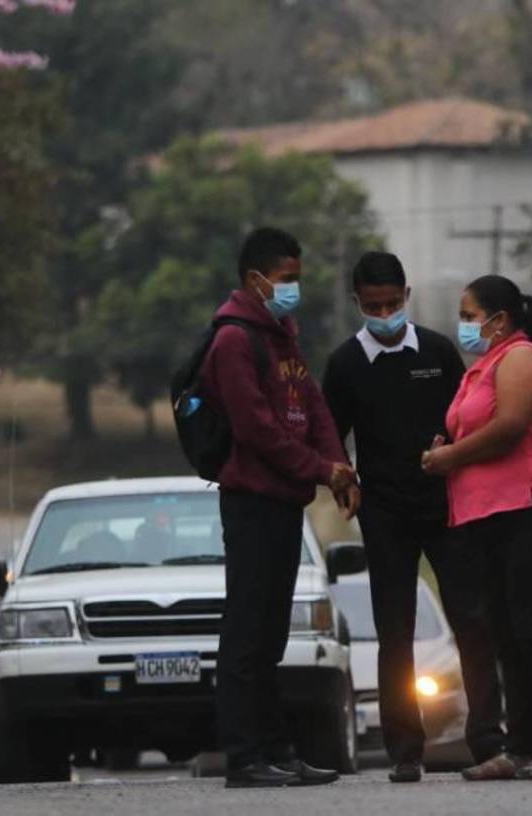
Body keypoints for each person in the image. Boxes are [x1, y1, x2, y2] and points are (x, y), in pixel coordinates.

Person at [322, 252, 504, 783]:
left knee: (471, 618)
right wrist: (343, 479)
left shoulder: (439, 351)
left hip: (447, 503)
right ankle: (406, 748)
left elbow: (465, 419)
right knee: (393, 629)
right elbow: (332, 439)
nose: (385, 313)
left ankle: (487, 737)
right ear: (358, 303)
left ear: (407, 295)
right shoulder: (346, 365)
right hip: (384, 512)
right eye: (373, 305)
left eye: (393, 302)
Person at [200, 226, 360, 789]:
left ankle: (277, 751)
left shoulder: (280, 333)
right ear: (256, 280)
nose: (295, 288)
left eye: (297, 277)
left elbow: (310, 403)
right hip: (251, 500)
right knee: (247, 631)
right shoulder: (234, 341)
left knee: (270, 633)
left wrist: (339, 463)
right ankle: (245, 756)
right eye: (287, 279)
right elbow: (257, 429)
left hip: (284, 500)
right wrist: (321, 470)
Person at [422, 275, 532, 781]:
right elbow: (471, 428)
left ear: (499, 320)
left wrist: (449, 454)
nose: (464, 325)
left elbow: (511, 427)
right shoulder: (482, 368)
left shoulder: (522, 357)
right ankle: (520, 747)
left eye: (471, 315)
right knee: (505, 633)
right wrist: (444, 443)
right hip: (491, 518)